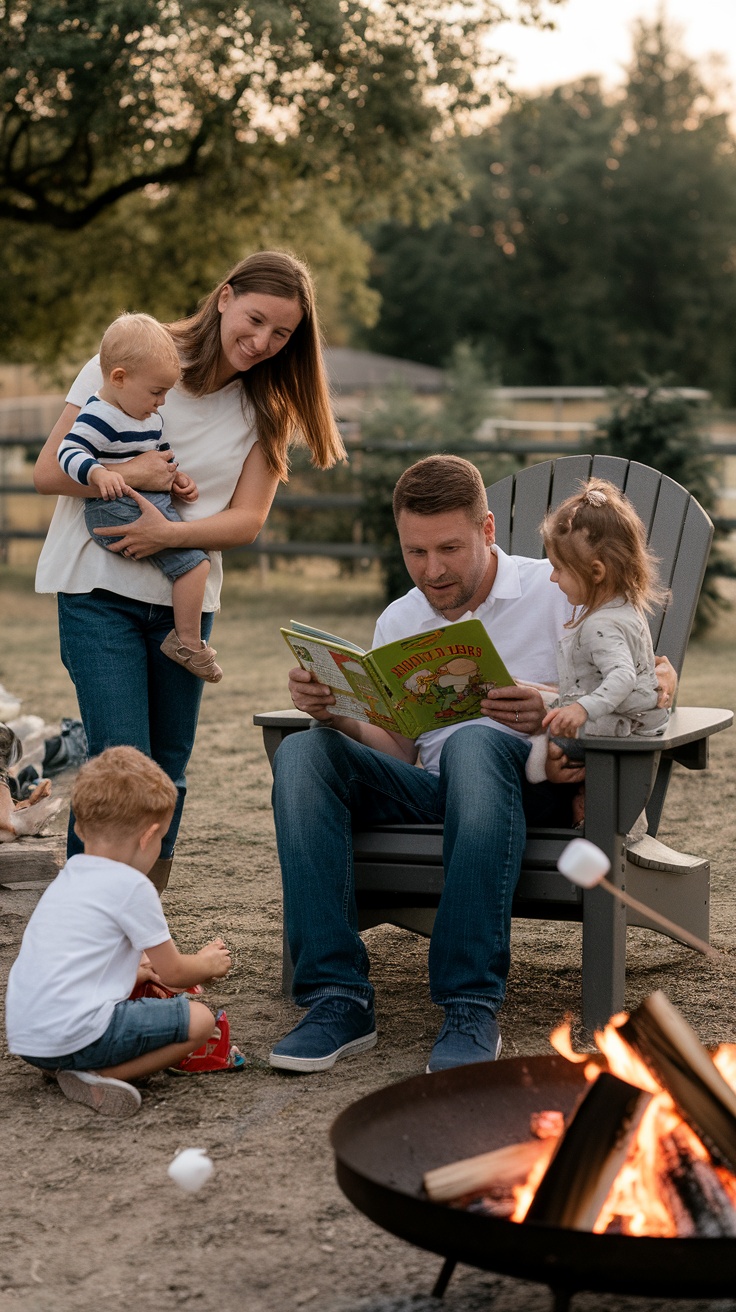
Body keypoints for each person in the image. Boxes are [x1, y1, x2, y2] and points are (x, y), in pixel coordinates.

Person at [268, 455, 676, 1076]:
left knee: (472, 744)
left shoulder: (558, 588)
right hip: (431, 791)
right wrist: (339, 717)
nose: (433, 570)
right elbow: (402, 748)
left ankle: (469, 1005)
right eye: (416, 552)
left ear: (488, 530)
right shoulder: (400, 619)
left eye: (450, 548)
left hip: (527, 787)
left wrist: (547, 706)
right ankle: (336, 998)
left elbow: (652, 675)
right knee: (303, 751)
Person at [34, 251, 345, 892]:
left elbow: (246, 521)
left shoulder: (267, 408)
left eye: (281, 334)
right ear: (225, 295)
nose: (261, 343)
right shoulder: (129, 355)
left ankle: (142, 921)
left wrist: (167, 534)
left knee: (169, 769)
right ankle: (87, 918)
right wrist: (137, 478)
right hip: (99, 593)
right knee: (121, 762)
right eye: (255, 320)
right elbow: (46, 472)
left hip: (186, 603)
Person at [5, 747, 235, 1118]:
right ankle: (97, 1074)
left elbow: (79, 960)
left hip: (30, 1037)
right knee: (200, 1021)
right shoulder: (133, 886)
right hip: (76, 1034)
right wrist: (208, 963)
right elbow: (176, 973)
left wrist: (138, 971)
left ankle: (62, 1064)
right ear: (149, 837)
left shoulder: (71, 875)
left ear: (80, 828)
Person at [58, 312, 222, 683]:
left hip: (147, 502)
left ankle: (185, 639)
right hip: (113, 508)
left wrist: (176, 478)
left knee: (196, 564)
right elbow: (68, 453)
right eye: (156, 392)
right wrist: (100, 472)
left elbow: (162, 456)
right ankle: (188, 644)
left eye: (166, 392)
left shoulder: (147, 416)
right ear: (119, 378)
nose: (162, 402)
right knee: (196, 565)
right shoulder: (99, 415)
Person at [525, 478, 670, 785]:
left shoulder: (599, 625)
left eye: (559, 568)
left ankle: (556, 781)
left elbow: (622, 676)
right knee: (549, 702)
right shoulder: (626, 607)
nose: (552, 578)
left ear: (595, 572)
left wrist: (581, 708)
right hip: (641, 716)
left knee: (548, 735)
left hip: (624, 725)